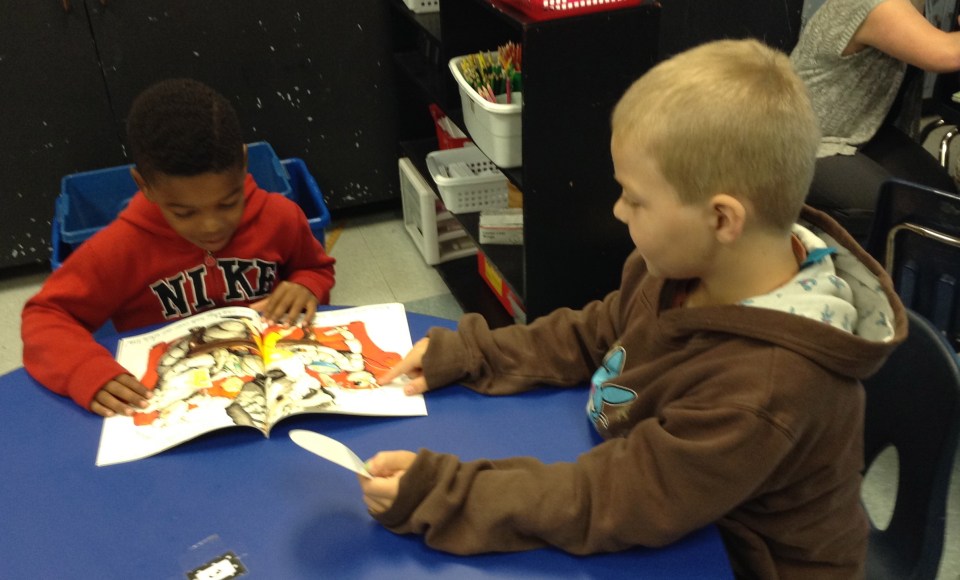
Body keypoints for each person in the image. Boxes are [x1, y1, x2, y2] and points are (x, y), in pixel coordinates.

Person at [359, 39, 907, 578]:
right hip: (677, 501)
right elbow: (595, 331)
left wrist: (448, 494)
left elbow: (617, 499)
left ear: (722, 220)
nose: (619, 211)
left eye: (635, 199)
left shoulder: (767, 388)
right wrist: (472, 353)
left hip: (737, 560)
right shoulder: (684, 268)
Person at [21, 78, 335, 418]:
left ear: (244, 164)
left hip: (275, 387)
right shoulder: (120, 247)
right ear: (144, 185)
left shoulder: (280, 216)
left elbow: (315, 268)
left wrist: (307, 284)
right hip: (177, 403)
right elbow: (45, 315)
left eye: (228, 203)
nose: (211, 226)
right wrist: (84, 370)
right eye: (184, 213)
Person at [790, 0, 960, 241]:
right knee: (897, 209)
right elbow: (945, 54)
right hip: (806, 139)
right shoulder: (876, 4)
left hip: (860, 129)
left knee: (942, 200)